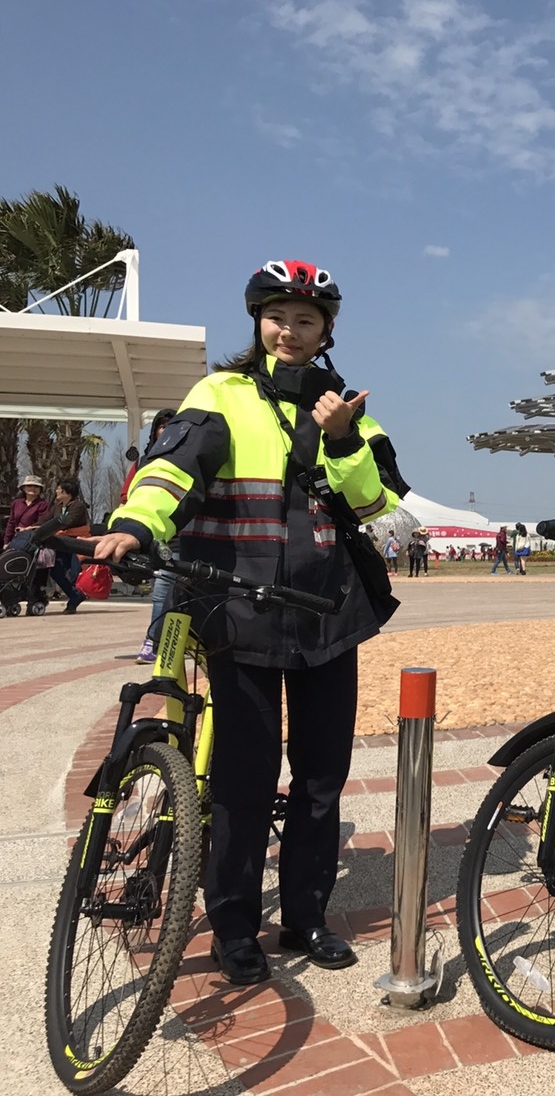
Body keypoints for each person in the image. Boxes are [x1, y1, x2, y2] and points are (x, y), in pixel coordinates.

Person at [92, 259, 409, 984]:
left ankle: (305, 917)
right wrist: (136, 523)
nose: (290, 331)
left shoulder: (348, 407)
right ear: (257, 321)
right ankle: (234, 927)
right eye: (278, 317)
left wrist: (341, 438)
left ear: (327, 329)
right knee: (243, 778)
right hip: (239, 613)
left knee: (322, 778)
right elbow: (173, 469)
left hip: (327, 616)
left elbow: (373, 503)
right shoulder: (221, 393)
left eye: (306, 320)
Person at [123, 410, 180, 662]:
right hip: (160, 538)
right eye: (161, 425)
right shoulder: (143, 462)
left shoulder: (188, 457)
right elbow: (127, 495)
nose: (165, 430)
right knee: (161, 590)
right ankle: (153, 641)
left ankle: (177, 641)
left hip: (187, 533)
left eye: (171, 425)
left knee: (187, 591)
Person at [3, 475, 51, 611]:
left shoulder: (43, 505)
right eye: (30, 486)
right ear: (23, 488)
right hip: (17, 540)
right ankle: (9, 597)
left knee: (32, 570)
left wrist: (28, 529)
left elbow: (42, 523)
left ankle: (35, 596)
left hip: (33, 540)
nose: (33, 489)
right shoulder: (16, 503)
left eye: (36, 487)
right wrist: (6, 541)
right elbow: (11, 523)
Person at [42, 479, 90, 613]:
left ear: (67, 492)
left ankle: (73, 601)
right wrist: (32, 527)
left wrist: (52, 528)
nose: (56, 491)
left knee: (75, 573)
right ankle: (75, 595)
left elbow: (68, 521)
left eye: (59, 489)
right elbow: (46, 520)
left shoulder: (79, 506)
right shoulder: (57, 506)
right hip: (61, 543)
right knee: (56, 571)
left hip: (77, 543)